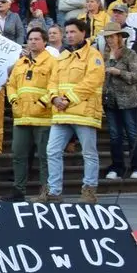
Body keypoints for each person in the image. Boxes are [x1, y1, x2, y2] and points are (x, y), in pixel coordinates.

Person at [41, 17, 106, 203]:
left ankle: (89, 190)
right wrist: (54, 98)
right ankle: (54, 192)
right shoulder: (62, 56)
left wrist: (66, 99)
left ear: (83, 33)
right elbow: (52, 81)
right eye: (67, 32)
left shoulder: (93, 55)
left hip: (84, 113)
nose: (69, 35)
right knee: (52, 151)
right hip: (62, 113)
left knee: (89, 153)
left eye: (73, 32)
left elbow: (92, 82)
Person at [1, 27, 55, 202]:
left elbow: (56, 86)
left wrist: (42, 103)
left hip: (43, 117)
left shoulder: (52, 62)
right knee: (18, 155)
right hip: (22, 116)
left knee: (44, 158)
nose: (32, 42)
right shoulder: (21, 62)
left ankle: (46, 191)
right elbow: (11, 84)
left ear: (45, 41)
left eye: (37, 39)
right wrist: (14, 100)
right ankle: (18, 191)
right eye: (30, 39)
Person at [101, 25, 137, 182]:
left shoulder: (129, 54)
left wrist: (119, 72)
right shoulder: (104, 55)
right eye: (107, 37)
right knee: (114, 136)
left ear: (119, 37)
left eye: (112, 36)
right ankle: (117, 167)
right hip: (110, 100)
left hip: (128, 100)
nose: (109, 40)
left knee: (132, 134)